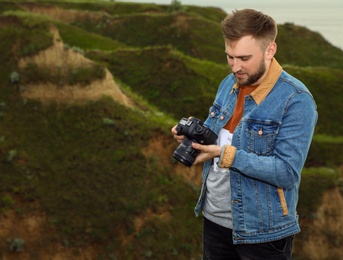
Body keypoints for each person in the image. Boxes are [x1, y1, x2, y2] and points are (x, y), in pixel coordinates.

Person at [171, 9, 317, 260]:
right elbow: (217, 135)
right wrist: (194, 140)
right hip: (214, 220)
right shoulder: (228, 84)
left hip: (263, 233)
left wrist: (226, 155)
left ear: (270, 50)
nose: (235, 66)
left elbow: (286, 172)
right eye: (230, 57)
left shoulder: (296, 100)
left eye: (244, 58)